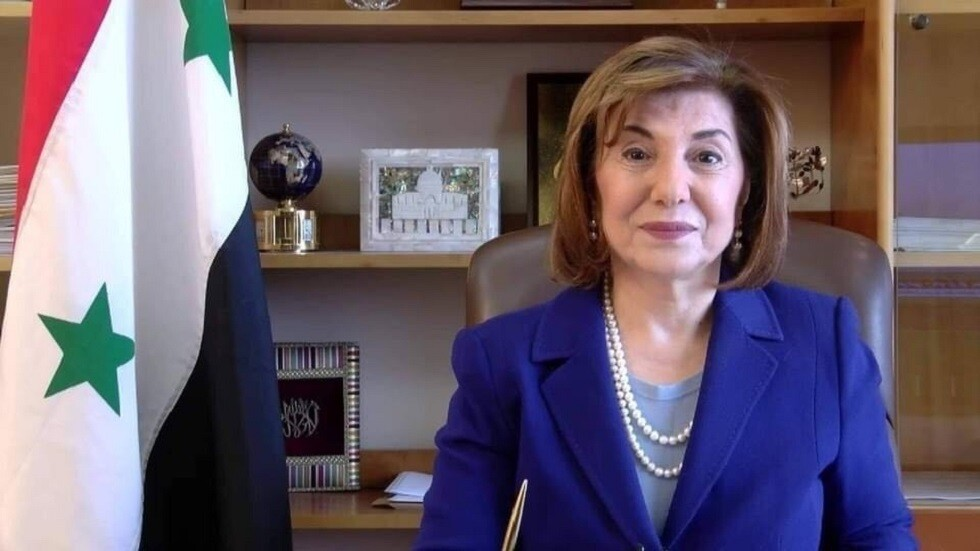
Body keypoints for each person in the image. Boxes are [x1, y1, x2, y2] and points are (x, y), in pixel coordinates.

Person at [415, 36, 916, 550]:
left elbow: (877, 537)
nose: (670, 189)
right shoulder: (500, 361)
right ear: (591, 183)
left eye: (706, 156)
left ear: (745, 189)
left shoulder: (826, 347)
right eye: (637, 153)